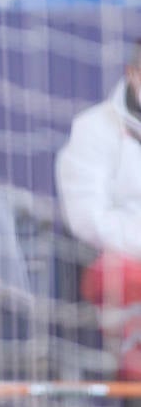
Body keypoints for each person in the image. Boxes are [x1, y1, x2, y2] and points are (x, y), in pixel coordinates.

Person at [56, 38, 141, 381]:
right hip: (111, 262)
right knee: (125, 275)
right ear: (132, 73)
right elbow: (87, 218)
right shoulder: (93, 128)